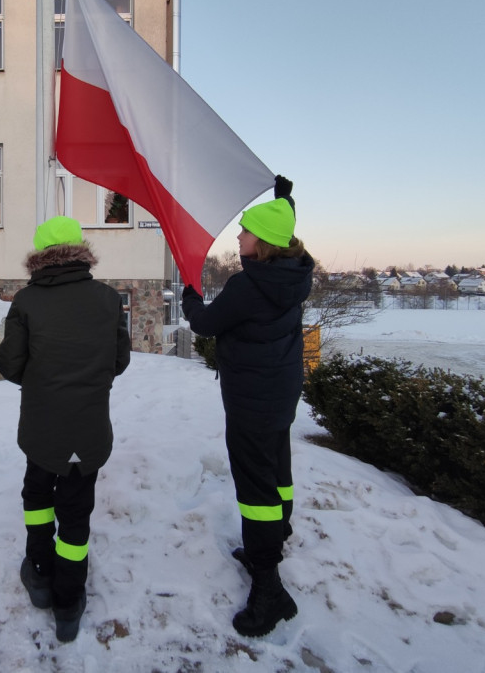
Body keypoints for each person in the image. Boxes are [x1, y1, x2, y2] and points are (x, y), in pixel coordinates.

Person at [180, 175, 314, 638]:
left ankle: (268, 586)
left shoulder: (247, 286)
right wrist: (283, 201)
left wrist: (190, 297)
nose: (238, 236)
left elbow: (206, 324)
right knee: (277, 465)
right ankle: (278, 534)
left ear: (264, 243)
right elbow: (287, 228)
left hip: (251, 400)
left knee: (256, 489)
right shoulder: (294, 275)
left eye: (245, 230)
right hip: (280, 392)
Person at [0, 216, 131, 643]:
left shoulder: (27, 301)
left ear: (40, 256)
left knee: (37, 493)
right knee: (76, 511)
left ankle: (38, 574)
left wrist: (42, 379)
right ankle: (69, 602)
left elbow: (9, 365)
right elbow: (119, 361)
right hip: (88, 428)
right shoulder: (108, 299)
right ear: (81, 251)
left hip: (41, 428)